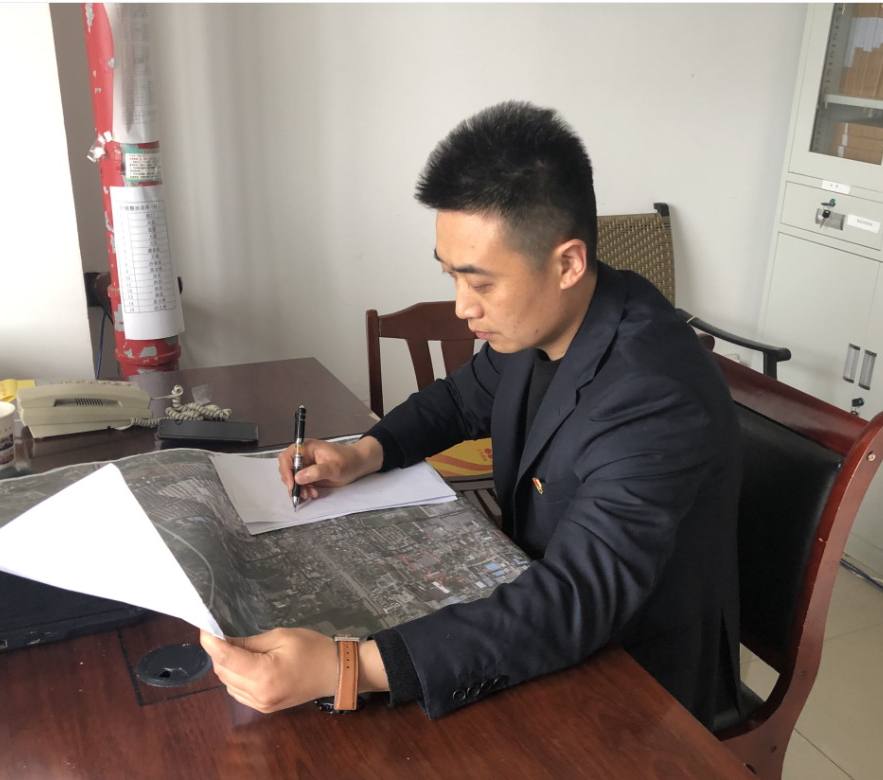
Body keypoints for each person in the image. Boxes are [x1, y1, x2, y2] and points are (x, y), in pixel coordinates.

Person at [200, 100, 741, 727]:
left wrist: (350, 667)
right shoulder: (548, 320)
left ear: (568, 262)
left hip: (640, 680)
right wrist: (363, 454)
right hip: (539, 609)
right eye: (451, 275)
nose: (462, 307)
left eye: (481, 283)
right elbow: (459, 400)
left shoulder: (653, 395)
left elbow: (577, 597)